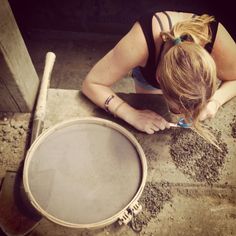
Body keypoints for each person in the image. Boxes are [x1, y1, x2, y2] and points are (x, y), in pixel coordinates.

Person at [82, 10, 236, 141]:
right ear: (159, 79)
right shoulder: (139, 43)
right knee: (152, 110)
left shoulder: (215, 38)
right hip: (148, 64)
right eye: (178, 110)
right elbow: (92, 84)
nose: (187, 116)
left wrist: (215, 100)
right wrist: (130, 114)